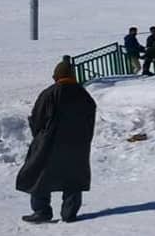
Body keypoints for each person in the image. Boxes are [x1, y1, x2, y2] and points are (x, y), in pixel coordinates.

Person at [15, 59, 96, 223]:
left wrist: (39, 136)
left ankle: (42, 211)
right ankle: (69, 213)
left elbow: (38, 118)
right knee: (73, 177)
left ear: (57, 75)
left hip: (49, 144)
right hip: (77, 144)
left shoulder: (50, 93)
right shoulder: (83, 94)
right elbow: (90, 118)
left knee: (39, 174)